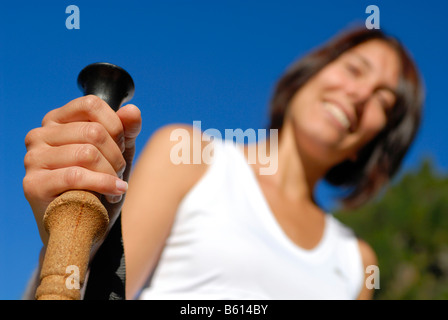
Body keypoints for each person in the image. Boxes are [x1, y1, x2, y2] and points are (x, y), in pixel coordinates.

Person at [23, 26, 424, 300]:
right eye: (354, 69)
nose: (358, 95)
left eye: (382, 102)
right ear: (310, 74)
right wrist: (67, 233)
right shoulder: (189, 158)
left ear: (371, 144)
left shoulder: (356, 261)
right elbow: (94, 291)